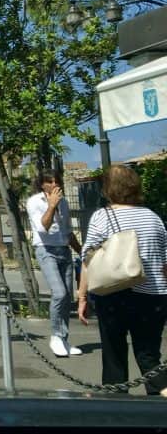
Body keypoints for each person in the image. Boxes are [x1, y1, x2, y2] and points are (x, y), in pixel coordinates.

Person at [79, 165, 167, 397]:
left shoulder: (102, 216)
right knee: (149, 354)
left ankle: (117, 406)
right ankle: (162, 397)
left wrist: (82, 297)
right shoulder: (153, 217)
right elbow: (165, 262)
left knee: (114, 353)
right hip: (154, 295)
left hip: (113, 293)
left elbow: (88, 260)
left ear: (107, 189)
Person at [27, 171, 83, 357]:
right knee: (58, 292)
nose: (54, 184)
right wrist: (51, 206)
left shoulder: (65, 203)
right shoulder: (35, 202)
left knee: (67, 296)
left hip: (63, 249)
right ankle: (56, 336)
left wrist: (81, 251)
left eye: (56, 181)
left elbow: (67, 231)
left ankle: (64, 339)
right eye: (49, 182)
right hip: (46, 250)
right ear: (42, 185)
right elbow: (43, 227)